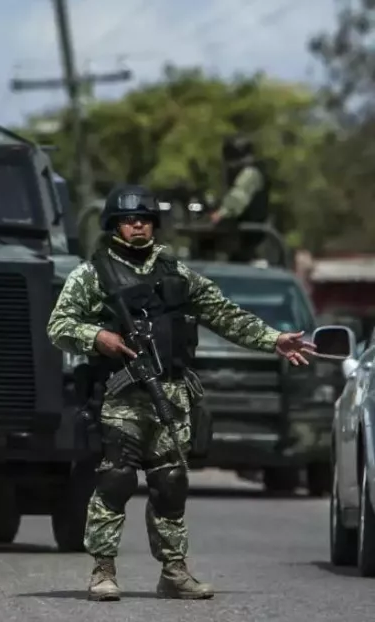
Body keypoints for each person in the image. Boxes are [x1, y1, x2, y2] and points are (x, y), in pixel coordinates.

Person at [47, 184, 315, 601]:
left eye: (144, 219)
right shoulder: (91, 274)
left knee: (170, 484)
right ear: (114, 225)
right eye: (128, 220)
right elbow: (59, 326)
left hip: (171, 394)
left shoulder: (178, 274)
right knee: (115, 480)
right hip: (120, 396)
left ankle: (174, 571)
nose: (137, 226)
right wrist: (98, 335)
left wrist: (274, 339)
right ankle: (103, 570)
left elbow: (225, 314)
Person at [208, 135, 270, 262]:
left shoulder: (249, 174)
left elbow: (238, 198)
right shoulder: (245, 173)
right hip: (242, 238)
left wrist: (220, 214)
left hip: (248, 238)